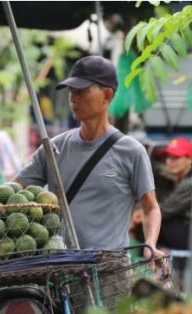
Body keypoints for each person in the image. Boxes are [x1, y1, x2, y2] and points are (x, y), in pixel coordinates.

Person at [13, 55, 164, 261]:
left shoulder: (131, 151)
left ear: (107, 95)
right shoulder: (54, 148)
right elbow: (12, 192)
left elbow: (151, 207)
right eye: (72, 91)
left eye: (82, 91)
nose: (74, 98)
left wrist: (151, 246)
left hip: (110, 269)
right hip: (62, 268)